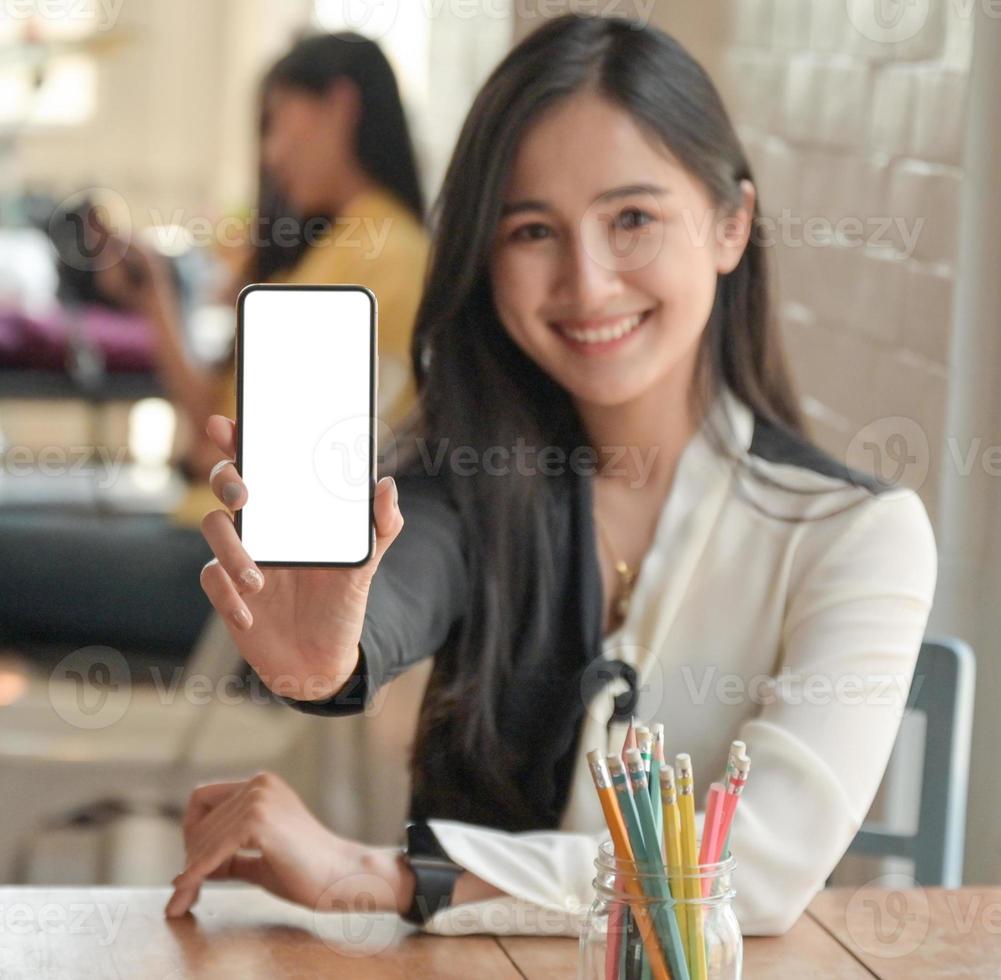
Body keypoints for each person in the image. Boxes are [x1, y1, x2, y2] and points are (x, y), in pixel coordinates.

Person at [165, 15, 936, 937]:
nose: (586, 281)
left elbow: (755, 871)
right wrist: (333, 661)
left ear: (731, 225)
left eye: (633, 220)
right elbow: (403, 582)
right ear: (484, 259)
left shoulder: (856, 536)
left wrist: (398, 877)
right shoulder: (465, 481)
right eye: (532, 230)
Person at [0, 33, 431, 880]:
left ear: (339, 104)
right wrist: (157, 301)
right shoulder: (354, 244)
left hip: (224, 582)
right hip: (210, 559)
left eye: (277, 125)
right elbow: (216, 431)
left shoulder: (372, 257)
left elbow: (227, 458)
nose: (269, 153)